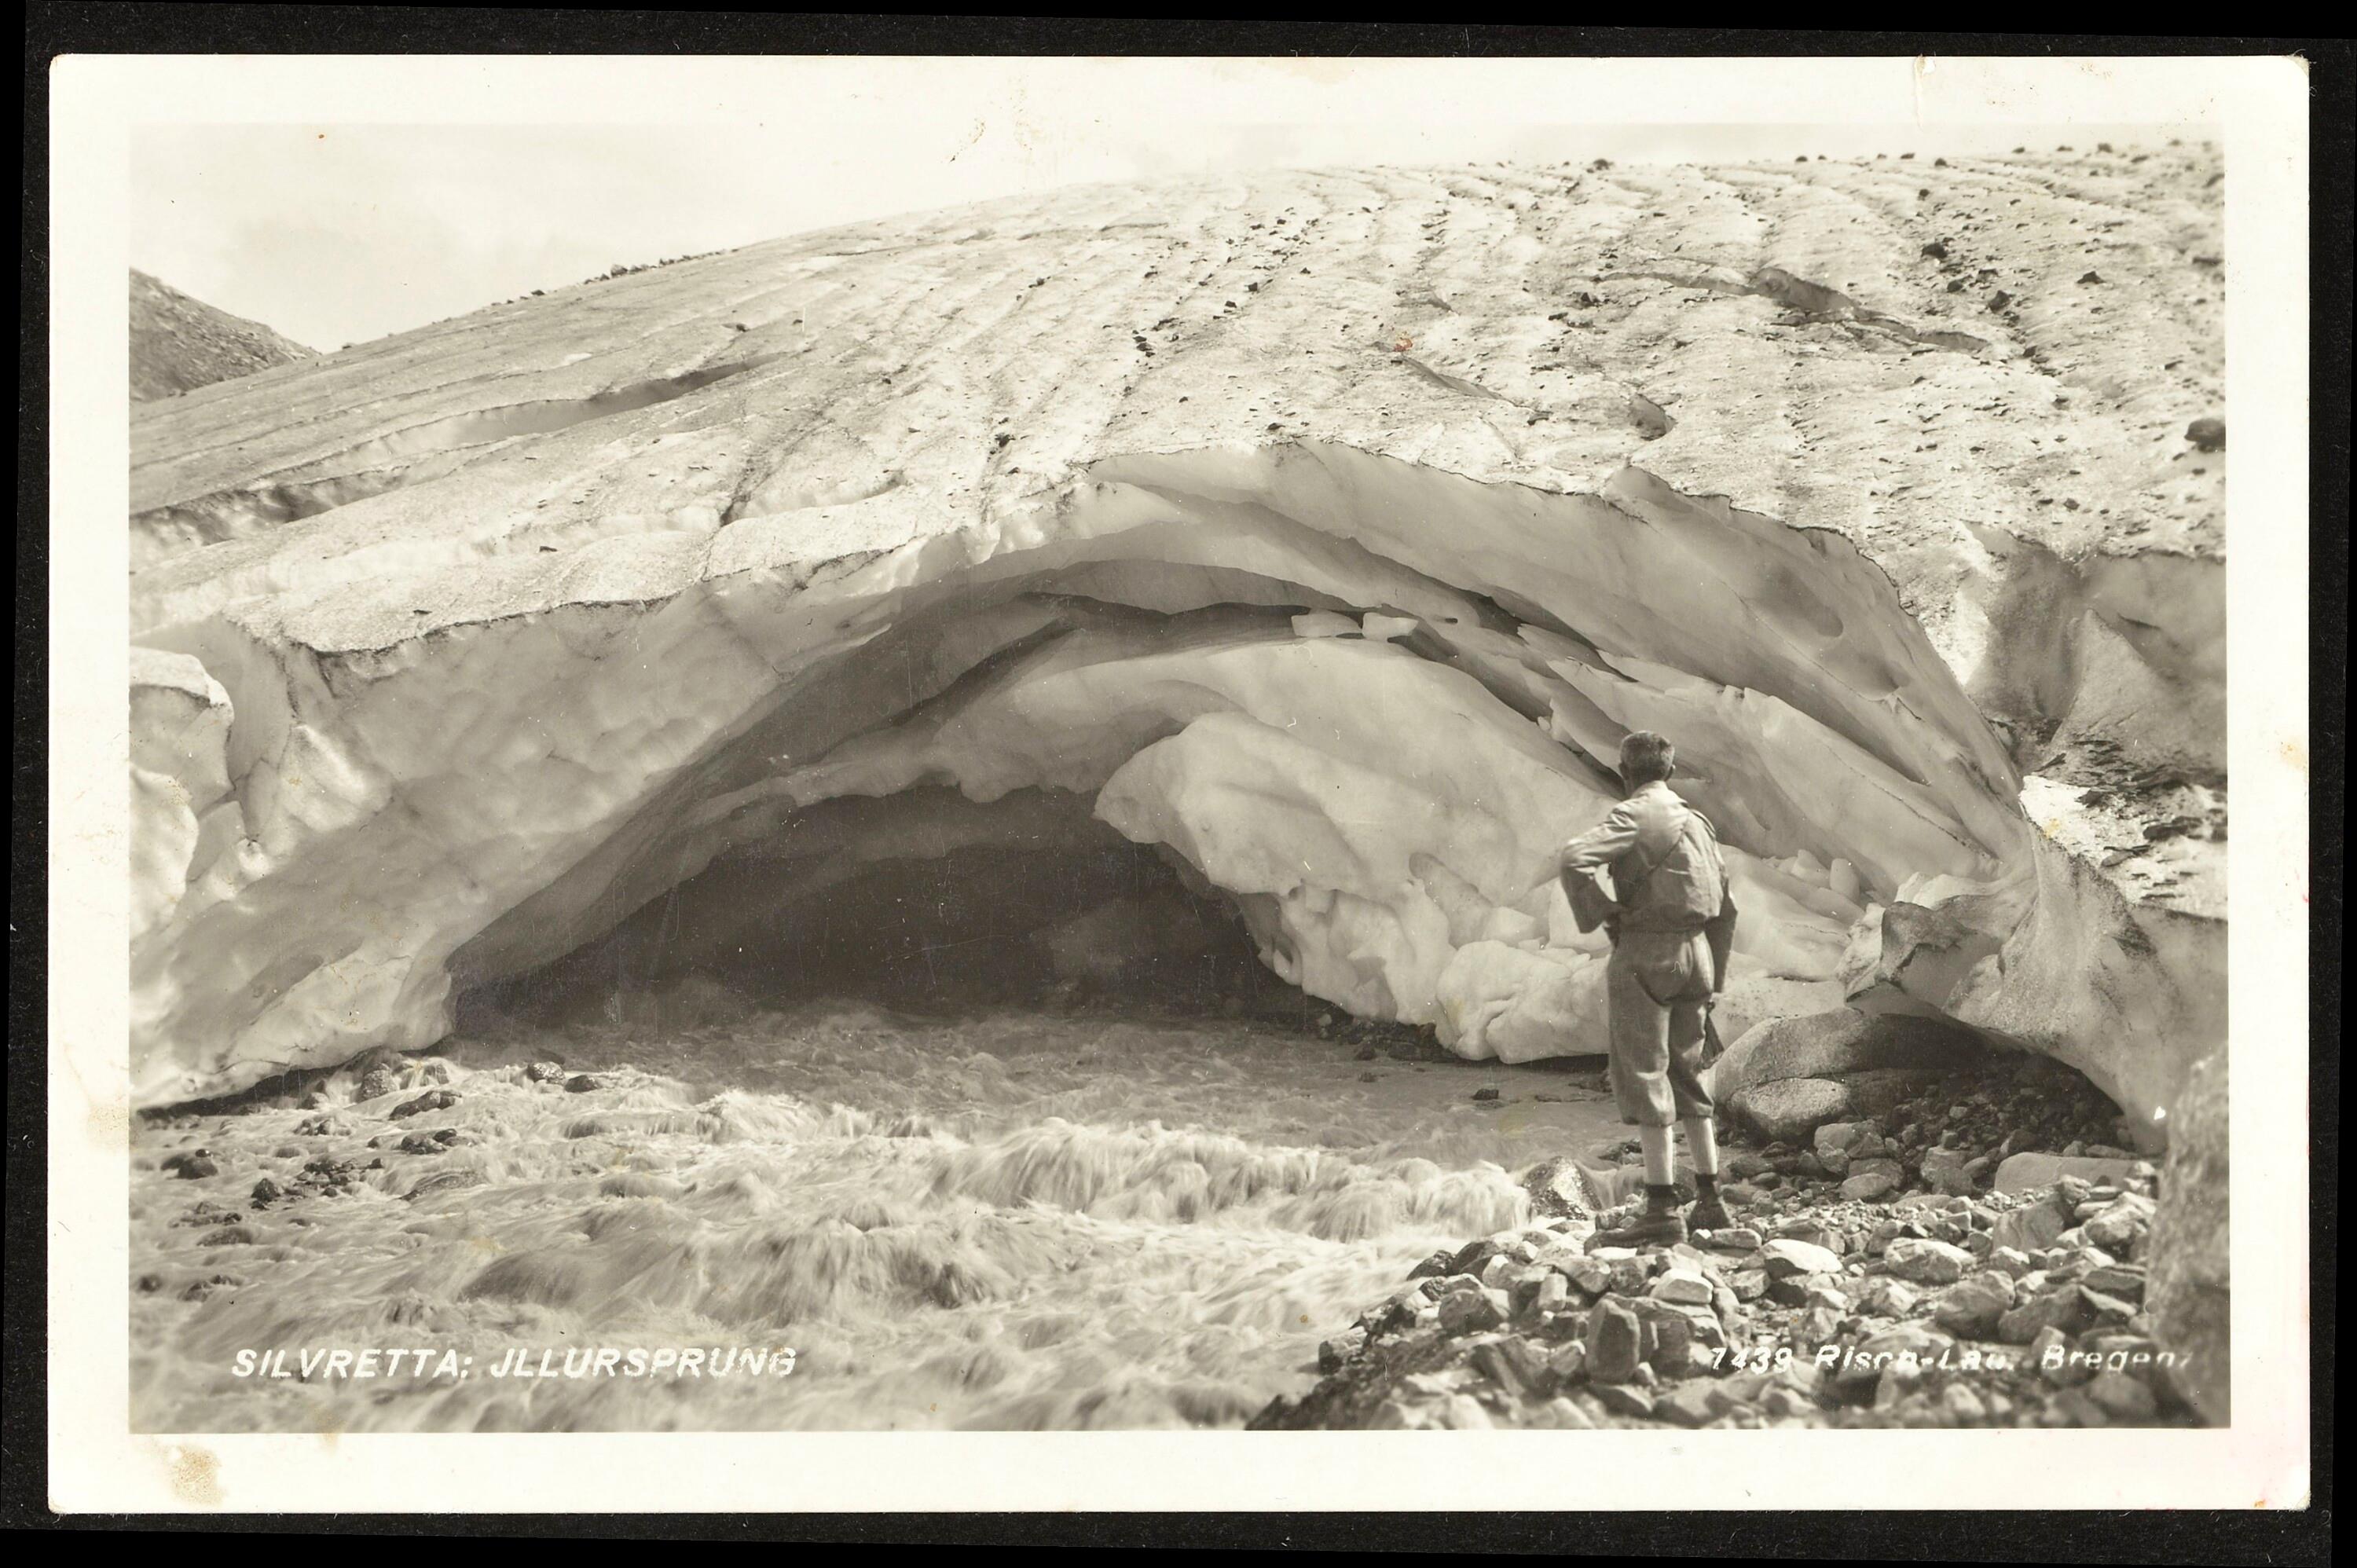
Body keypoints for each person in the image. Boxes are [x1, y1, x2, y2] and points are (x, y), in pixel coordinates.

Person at [1556, 731, 1739, 1247]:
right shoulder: (1699, 822)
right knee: (1690, 1074)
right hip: (1698, 953)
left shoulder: (1634, 814)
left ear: (1625, 773)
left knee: (1646, 1074)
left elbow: (1573, 858)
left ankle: (1661, 1209)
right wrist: (1713, 980)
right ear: (1671, 772)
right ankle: (1712, 1200)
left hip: (1647, 953)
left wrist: (1604, 912)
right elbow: (1727, 906)